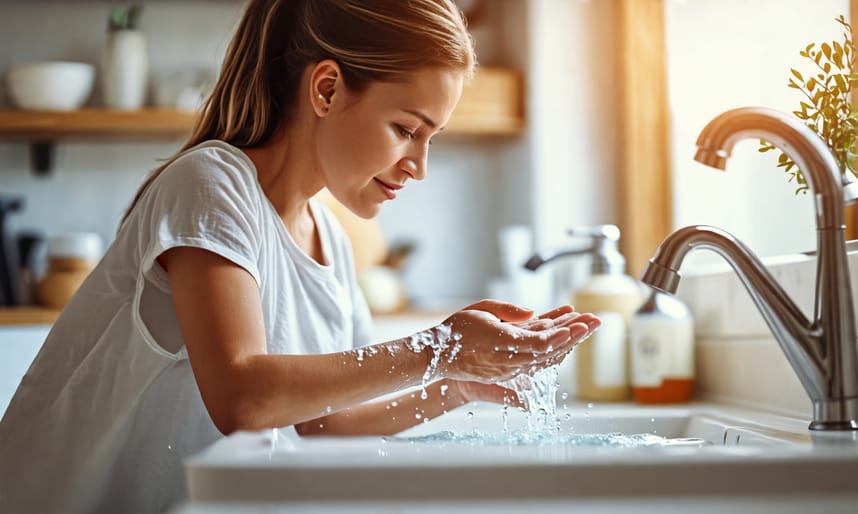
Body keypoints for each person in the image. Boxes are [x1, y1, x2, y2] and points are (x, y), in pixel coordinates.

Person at [0, 1, 600, 512]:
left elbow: (321, 424)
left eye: (431, 139)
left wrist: (459, 381)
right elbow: (244, 398)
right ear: (327, 88)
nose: (419, 166)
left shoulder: (331, 238)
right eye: (406, 129)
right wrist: (440, 347)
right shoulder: (210, 185)